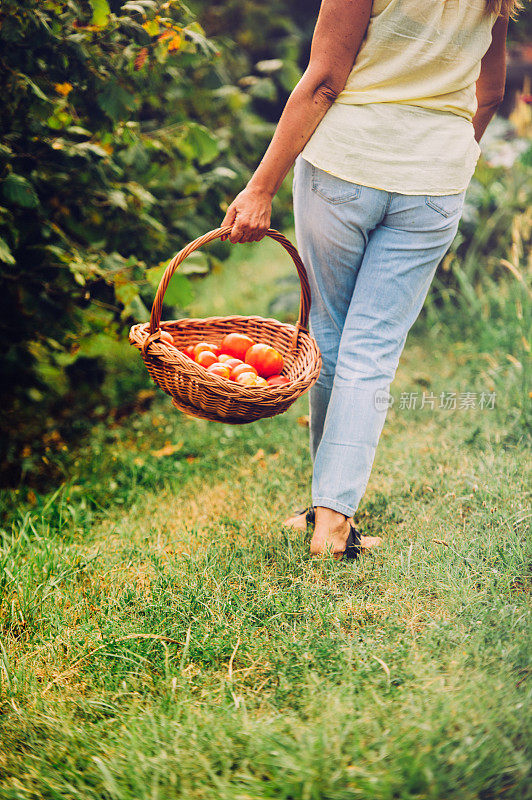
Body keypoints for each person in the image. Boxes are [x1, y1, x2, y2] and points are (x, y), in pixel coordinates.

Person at [221, 0, 515, 558]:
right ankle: (330, 517)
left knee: (329, 335)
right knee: (372, 349)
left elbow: (324, 83)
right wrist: (445, 160)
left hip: (345, 166)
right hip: (435, 181)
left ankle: (327, 518)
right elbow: (492, 91)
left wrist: (260, 187)